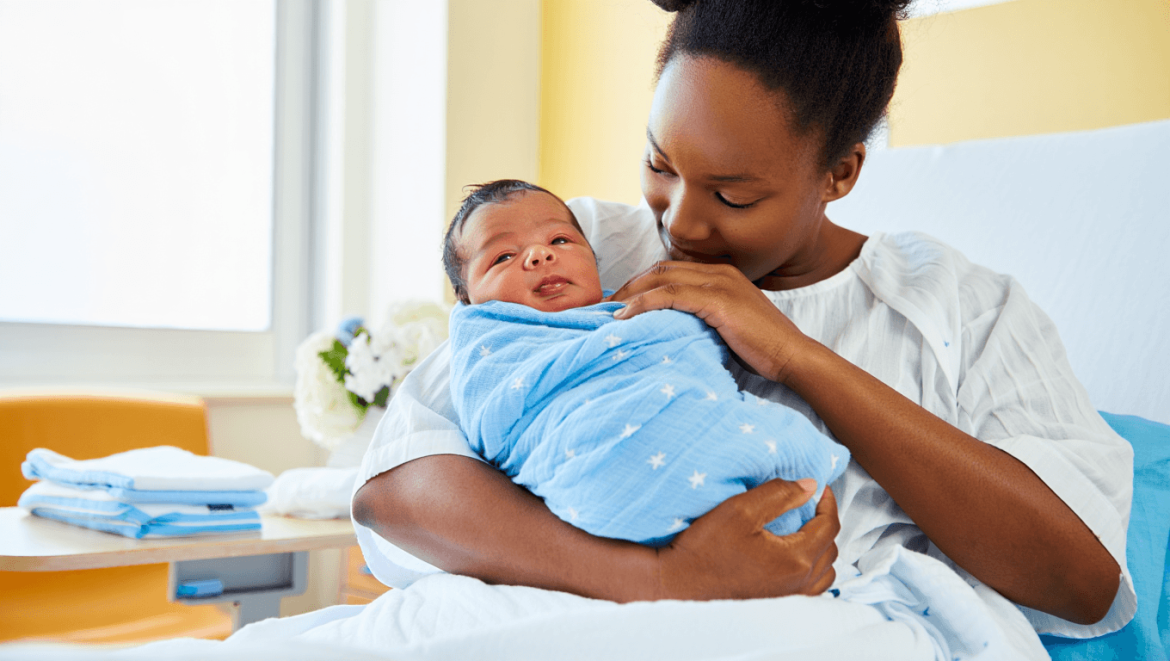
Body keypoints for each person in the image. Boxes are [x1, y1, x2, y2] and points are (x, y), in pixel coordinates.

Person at [352, 0, 1133, 656]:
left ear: (840, 172)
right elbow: (400, 489)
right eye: (660, 164)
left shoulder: (964, 310)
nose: (681, 221)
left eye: (732, 195)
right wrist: (660, 579)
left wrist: (798, 356)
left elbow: (1083, 580)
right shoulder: (580, 249)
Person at [441, 179, 850, 546]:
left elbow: (685, 351)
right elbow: (492, 419)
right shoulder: (489, 345)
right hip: (590, 465)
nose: (538, 255)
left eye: (561, 241)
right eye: (502, 257)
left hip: (691, 424)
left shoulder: (631, 310)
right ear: (467, 299)